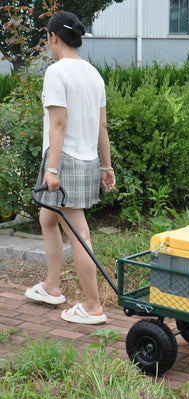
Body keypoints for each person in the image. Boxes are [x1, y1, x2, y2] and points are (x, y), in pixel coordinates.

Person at [25, 11, 116, 325]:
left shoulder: (57, 72)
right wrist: (107, 165)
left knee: (79, 234)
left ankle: (93, 307)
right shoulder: (93, 73)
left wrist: (52, 170)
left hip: (64, 162)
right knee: (47, 218)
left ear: (53, 37)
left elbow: (58, 124)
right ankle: (52, 287)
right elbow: (102, 126)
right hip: (87, 160)